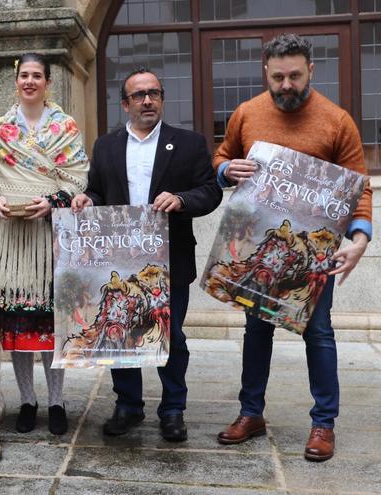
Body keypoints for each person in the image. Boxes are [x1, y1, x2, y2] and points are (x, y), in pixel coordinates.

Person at [212, 34, 373, 462]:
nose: (286, 84)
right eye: (278, 76)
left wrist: (359, 240)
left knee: (318, 333)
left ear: (311, 72)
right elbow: (220, 157)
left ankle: (324, 423)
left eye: (295, 76)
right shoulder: (246, 113)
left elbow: (359, 189)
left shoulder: (337, 121)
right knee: (256, 329)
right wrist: (228, 168)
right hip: (261, 249)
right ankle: (251, 413)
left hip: (314, 254)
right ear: (266, 70)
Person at [72, 67, 222, 442]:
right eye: (139, 95)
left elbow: (211, 192)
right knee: (121, 333)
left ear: (162, 99)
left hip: (169, 261)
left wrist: (182, 199)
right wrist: (86, 199)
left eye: (154, 93)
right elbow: (98, 193)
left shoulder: (188, 143)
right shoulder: (106, 146)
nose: (147, 100)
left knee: (171, 335)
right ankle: (128, 406)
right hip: (120, 264)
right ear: (125, 104)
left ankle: (173, 409)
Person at [0, 52, 89, 436]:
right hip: (9, 239)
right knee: (18, 329)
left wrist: (54, 200)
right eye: (24, 75)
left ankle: (57, 402)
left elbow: (78, 176)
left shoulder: (66, 127)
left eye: (36, 75)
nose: (29, 81)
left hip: (50, 238)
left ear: (47, 82)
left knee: (51, 326)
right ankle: (28, 400)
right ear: (16, 81)